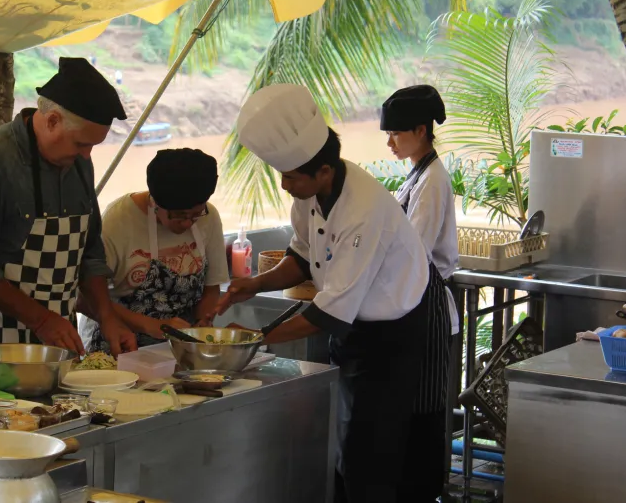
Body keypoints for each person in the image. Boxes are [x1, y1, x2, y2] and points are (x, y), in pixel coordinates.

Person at [214, 84, 451, 502]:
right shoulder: (309, 195)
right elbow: (302, 257)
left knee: (371, 453)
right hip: (355, 328)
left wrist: (249, 339)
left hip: (393, 334)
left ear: (323, 170)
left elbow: (329, 315)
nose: (285, 185)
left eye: (291, 177)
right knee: (342, 443)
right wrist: (253, 284)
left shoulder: (363, 211)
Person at [0, 57, 137, 386]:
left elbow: (90, 253)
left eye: (93, 146)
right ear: (51, 121)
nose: (87, 155)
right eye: (82, 143)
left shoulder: (79, 162)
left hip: (54, 344)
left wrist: (108, 318)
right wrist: (42, 320)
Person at [80, 148, 229, 352]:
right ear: (155, 203)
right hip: (121, 346)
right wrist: (150, 325)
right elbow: (83, 297)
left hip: (181, 348)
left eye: (195, 215)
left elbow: (211, 288)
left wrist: (202, 326)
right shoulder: (118, 221)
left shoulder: (209, 217)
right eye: (179, 215)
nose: (187, 223)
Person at [382, 85, 460, 335]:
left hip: (427, 306)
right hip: (415, 300)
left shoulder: (432, 180)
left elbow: (414, 249)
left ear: (420, 131)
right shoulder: (419, 173)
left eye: (395, 133)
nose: (389, 143)